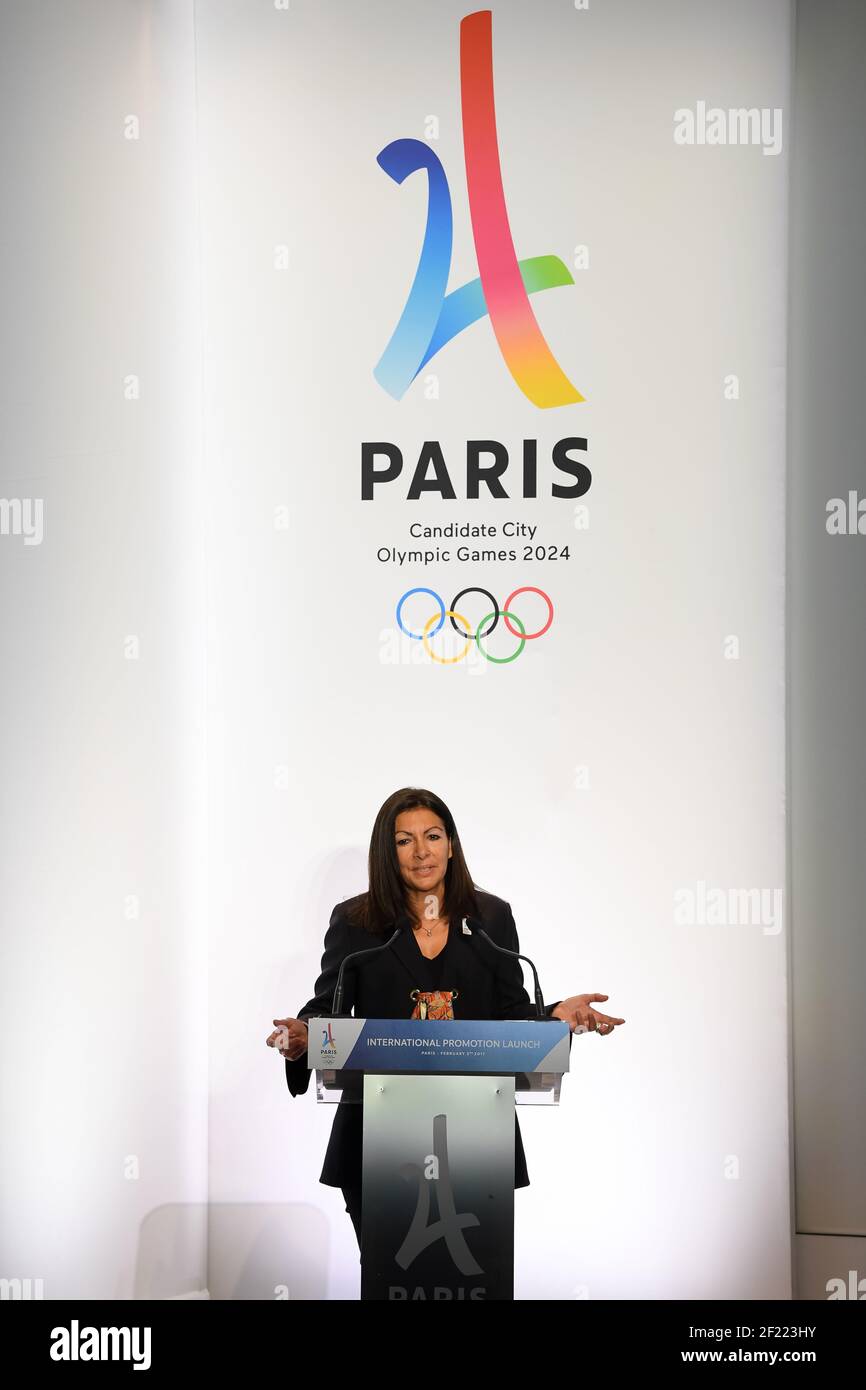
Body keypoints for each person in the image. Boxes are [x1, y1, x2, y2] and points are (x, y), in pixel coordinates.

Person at [265, 787, 625, 1251]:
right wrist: (302, 1036)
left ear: (451, 844)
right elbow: (327, 1012)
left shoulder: (490, 918)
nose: (421, 852)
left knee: (471, 1283)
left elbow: (510, 1017)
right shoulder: (357, 921)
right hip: (375, 1138)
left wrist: (556, 1015)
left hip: (476, 1140)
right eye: (403, 840)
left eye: (432, 836)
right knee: (391, 1284)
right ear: (387, 852)